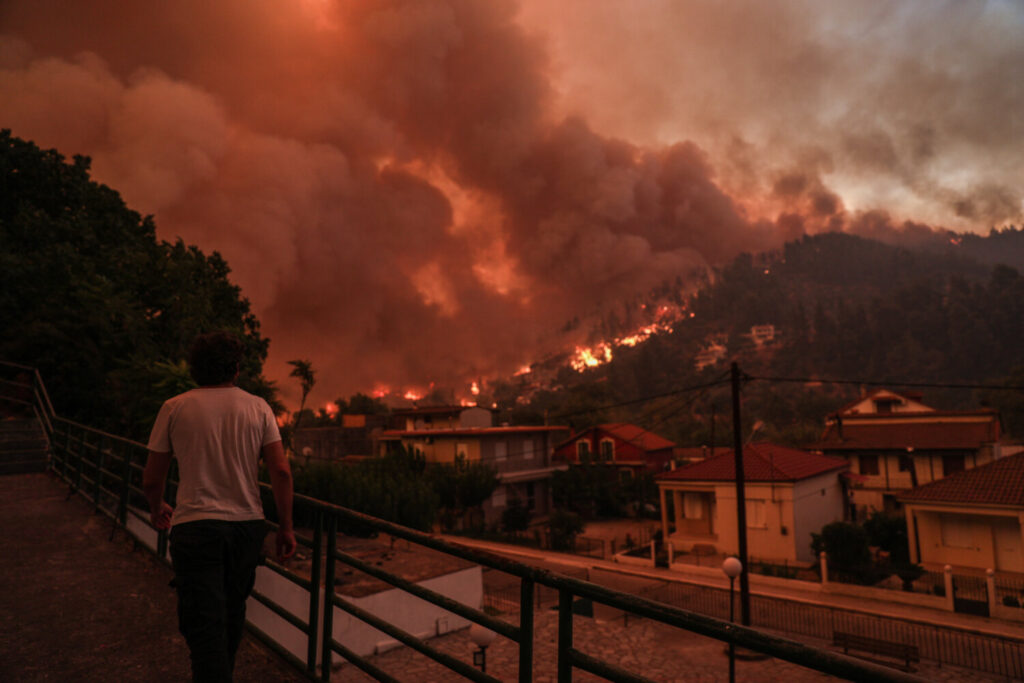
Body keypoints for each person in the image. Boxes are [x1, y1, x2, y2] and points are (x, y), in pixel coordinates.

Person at [142, 331, 296, 682]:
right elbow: (282, 471)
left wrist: (156, 507)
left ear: (194, 369)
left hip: (194, 527)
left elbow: (152, 479)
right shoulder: (259, 407)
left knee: (202, 625)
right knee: (231, 613)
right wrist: (285, 526)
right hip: (246, 527)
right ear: (236, 369)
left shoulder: (175, 407)